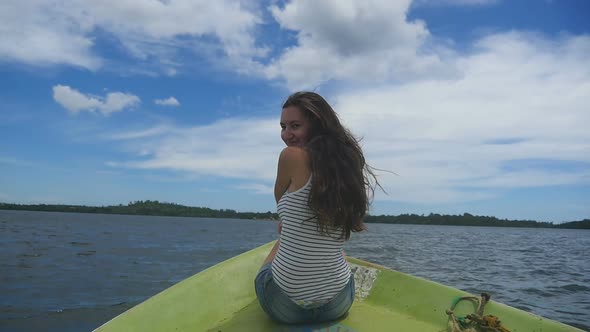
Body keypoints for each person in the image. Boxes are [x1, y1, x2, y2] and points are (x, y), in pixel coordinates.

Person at [254, 91, 379, 324]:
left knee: (277, 248)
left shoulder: (290, 156)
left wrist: (288, 229)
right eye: (283, 126)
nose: (286, 134)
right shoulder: (347, 167)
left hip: (285, 308)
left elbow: (280, 202)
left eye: (295, 126)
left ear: (317, 126)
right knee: (333, 246)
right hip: (337, 304)